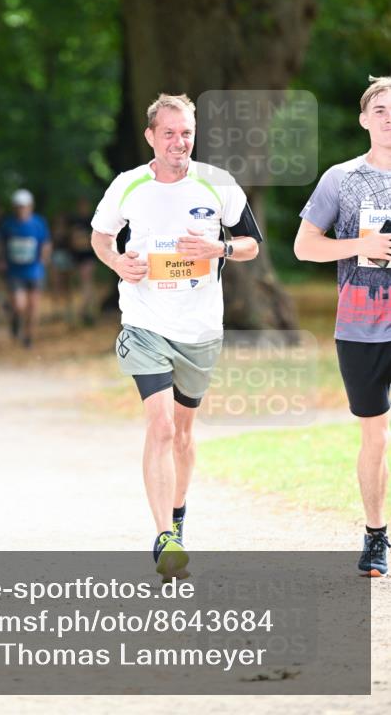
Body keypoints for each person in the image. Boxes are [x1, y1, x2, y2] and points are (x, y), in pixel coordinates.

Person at [91, 93, 262, 576]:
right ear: (150, 136)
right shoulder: (128, 185)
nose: (178, 141)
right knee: (161, 426)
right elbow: (101, 236)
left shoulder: (218, 184)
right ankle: (164, 535)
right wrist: (117, 262)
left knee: (184, 434)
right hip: (145, 323)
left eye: (186, 132)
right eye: (168, 132)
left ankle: (178, 516)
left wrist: (219, 247)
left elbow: (251, 244)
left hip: (201, 328)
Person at [294, 75, 391, 577]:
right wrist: (361, 245)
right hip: (361, 326)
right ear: (364, 119)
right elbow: (303, 246)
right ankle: (377, 536)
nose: (389, 118)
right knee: (373, 436)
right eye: (380, 110)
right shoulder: (341, 179)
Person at [0, 189, 51, 348]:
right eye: (18, 206)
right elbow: (1, 243)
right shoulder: (8, 224)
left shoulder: (38, 223)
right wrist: (1, 259)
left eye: (24, 206)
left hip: (34, 270)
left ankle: (29, 337)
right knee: (19, 304)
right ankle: (15, 319)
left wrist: (43, 258)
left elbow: (46, 242)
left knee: (33, 306)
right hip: (15, 271)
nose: (21, 209)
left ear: (30, 206)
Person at [68, 197, 99, 325]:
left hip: (89, 256)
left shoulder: (92, 222)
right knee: (84, 283)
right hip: (78, 257)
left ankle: (84, 309)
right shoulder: (75, 221)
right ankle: (88, 309)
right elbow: (72, 239)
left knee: (86, 282)